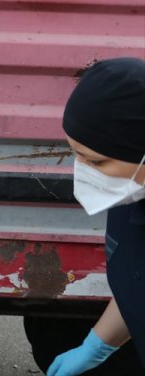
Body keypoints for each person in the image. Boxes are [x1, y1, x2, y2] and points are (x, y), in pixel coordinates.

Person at [47, 57, 145, 376]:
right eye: (77, 155)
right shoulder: (131, 199)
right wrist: (96, 346)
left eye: (99, 163)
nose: (85, 173)